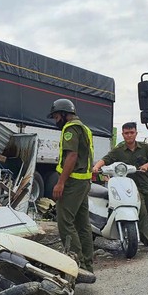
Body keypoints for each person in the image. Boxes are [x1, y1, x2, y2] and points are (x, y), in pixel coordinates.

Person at [92, 122, 148, 252]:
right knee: (142, 211)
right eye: (126, 133)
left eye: (131, 132)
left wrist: (146, 166)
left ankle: (142, 234)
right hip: (129, 187)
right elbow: (106, 159)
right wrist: (96, 167)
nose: (129, 136)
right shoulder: (119, 149)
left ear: (136, 133)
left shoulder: (144, 147)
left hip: (145, 184)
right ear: (123, 134)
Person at [48, 98, 95, 273]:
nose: (55, 120)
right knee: (83, 225)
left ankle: (76, 264)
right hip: (83, 182)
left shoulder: (70, 128)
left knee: (65, 223)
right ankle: (87, 265)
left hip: (73, 183)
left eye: (55, 116)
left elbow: (72, 156)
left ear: (63, 114)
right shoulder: (85, 128)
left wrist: (60, 183)